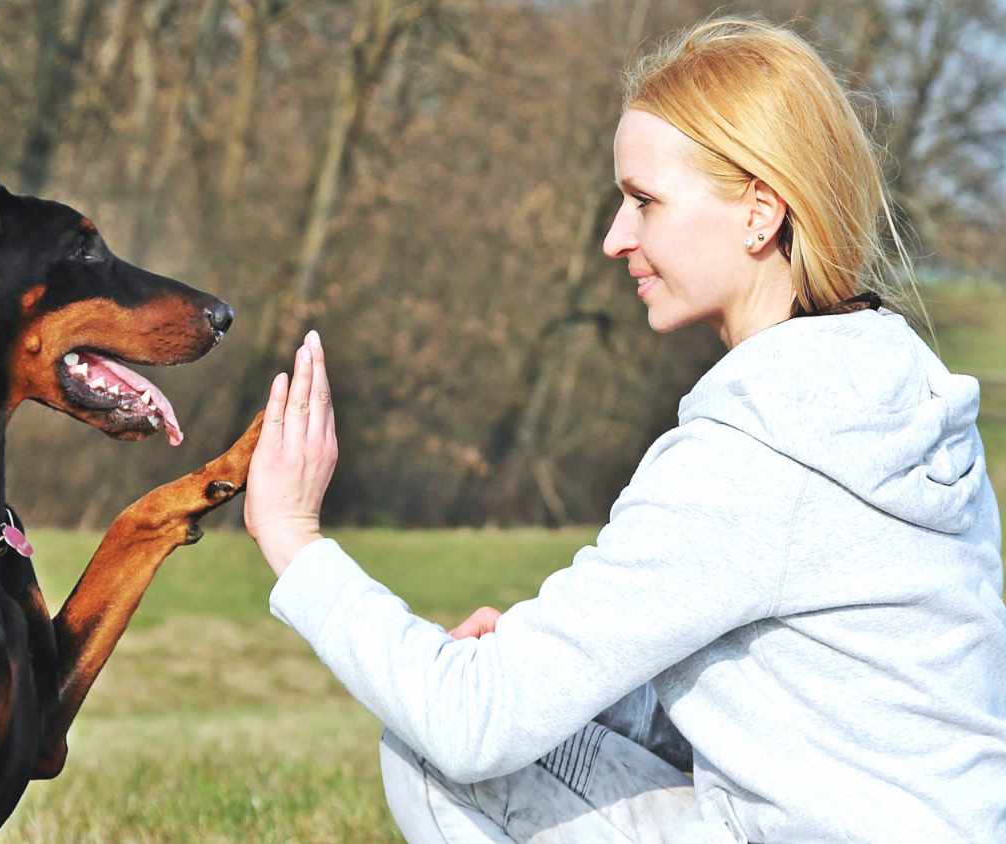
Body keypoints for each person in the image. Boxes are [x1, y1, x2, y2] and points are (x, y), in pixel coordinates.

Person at [241, 17, 1005, 844]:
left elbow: (469, 724)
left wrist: (293, 536)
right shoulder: (904, 406)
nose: (615, 238)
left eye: (645, 201)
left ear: (759, 213)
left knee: (433, 754)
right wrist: (549, 669)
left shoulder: (750, 457)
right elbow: (812, 697)